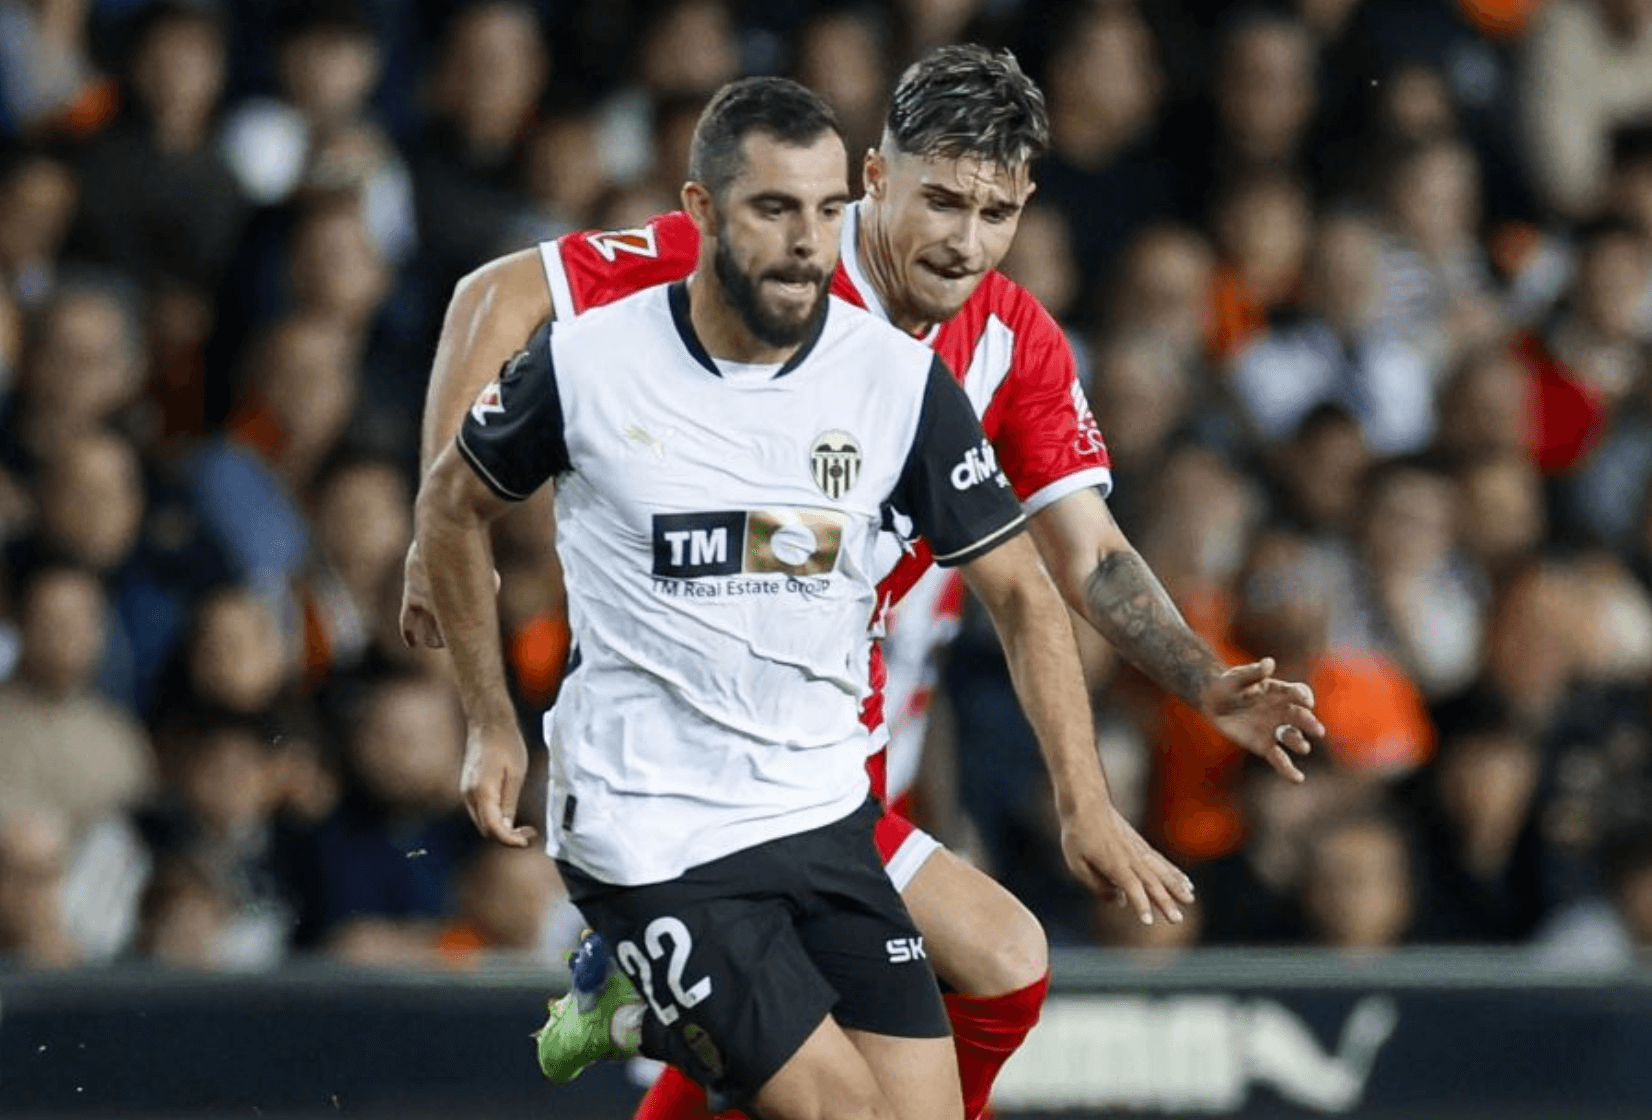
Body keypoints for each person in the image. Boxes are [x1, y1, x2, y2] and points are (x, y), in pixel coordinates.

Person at [404, 47, 1320, 1120]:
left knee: (992, 969)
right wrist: (434, 523)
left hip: (828, 759)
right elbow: (499, 292)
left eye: (995, 213)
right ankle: (643, 967)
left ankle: (646, 995)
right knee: (883, 1043)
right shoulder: (768, 259)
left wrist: (1198, 679)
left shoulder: (1004, 345)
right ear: (876, 177)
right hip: (676, 755)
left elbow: (1083, 557)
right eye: (939, 200)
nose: (962, 242)